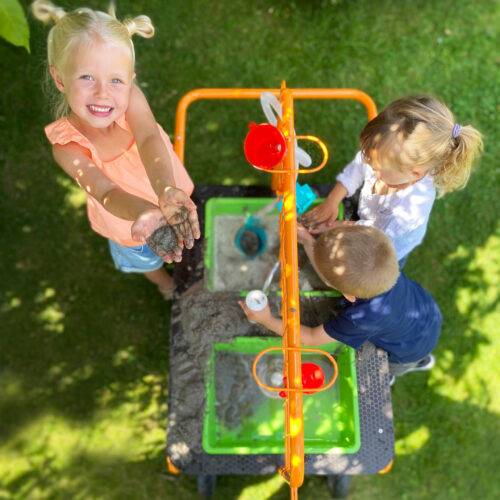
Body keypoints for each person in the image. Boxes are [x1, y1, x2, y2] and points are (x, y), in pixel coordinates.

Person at [32, 0, 200, 299]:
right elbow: (108, 193)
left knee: (181, 233)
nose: (103, 93)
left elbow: (149, 138)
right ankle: (164, 283)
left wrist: (164, 191)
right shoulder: (68, 146)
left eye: (115, 80)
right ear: (59, 78)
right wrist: (145, 213)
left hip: (164, 186)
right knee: (145, 258)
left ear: (130, 81)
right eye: (86, 77)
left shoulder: (131, 99)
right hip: (128, 221)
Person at [239, 225, 443, 384]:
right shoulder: (384, 265)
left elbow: (310, 337)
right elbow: (333, 275)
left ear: (348, 294)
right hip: (426, 313)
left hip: (407, 351)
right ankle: (421, 359)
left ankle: (398, 372)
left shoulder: (360, 319)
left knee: (390, 365)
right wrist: (308, 240)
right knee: (408, 338)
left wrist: (267, 320)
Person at [300, 95, 483, 267]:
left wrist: (333, 228)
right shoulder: (386, 155)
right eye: (368, 156)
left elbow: (374, 235)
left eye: (376, 166)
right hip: (371, 219)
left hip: (383, 247)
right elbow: (358, 166)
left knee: (362, 266)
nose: (369, 165)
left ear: (415, 173)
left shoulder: (407, 212)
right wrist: (333, 200)